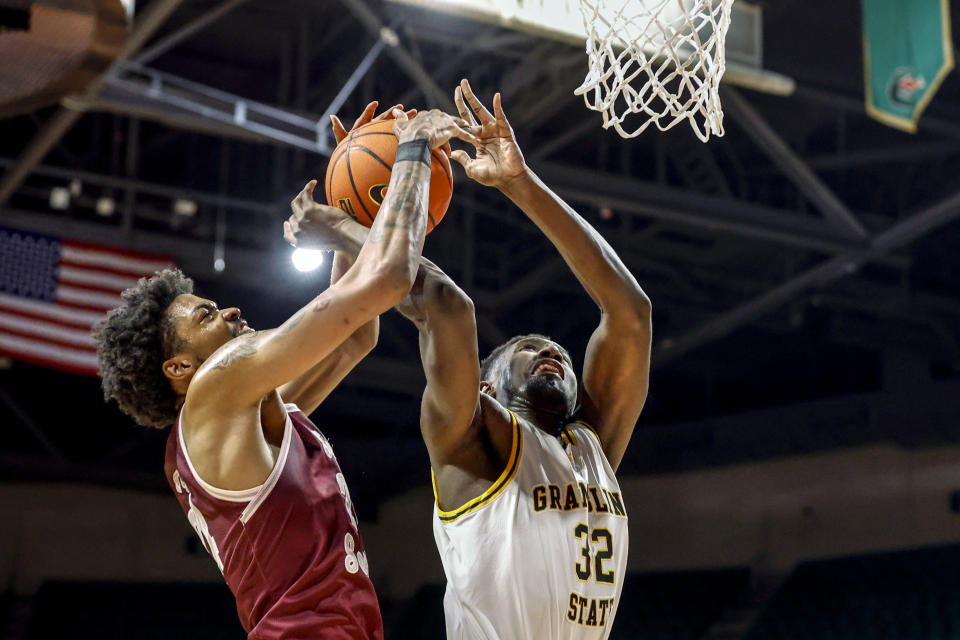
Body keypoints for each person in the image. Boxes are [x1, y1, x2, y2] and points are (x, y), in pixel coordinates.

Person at [93, 103, 476, 640]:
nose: (227, 311)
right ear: (180, 367)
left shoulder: (235, 419)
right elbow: (389, 279)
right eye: (206, 315)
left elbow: (357, 336)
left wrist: (353, 199)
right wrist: (409, 150)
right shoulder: (218, 384)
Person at [287, 79, 652, 640]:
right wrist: (344, 225)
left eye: (554, 350)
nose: (551, 350)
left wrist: (521, 184)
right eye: (526, 350)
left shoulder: (591, 448)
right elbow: (445, 307)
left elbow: (630, 314)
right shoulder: (469, 443)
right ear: (483, 390)